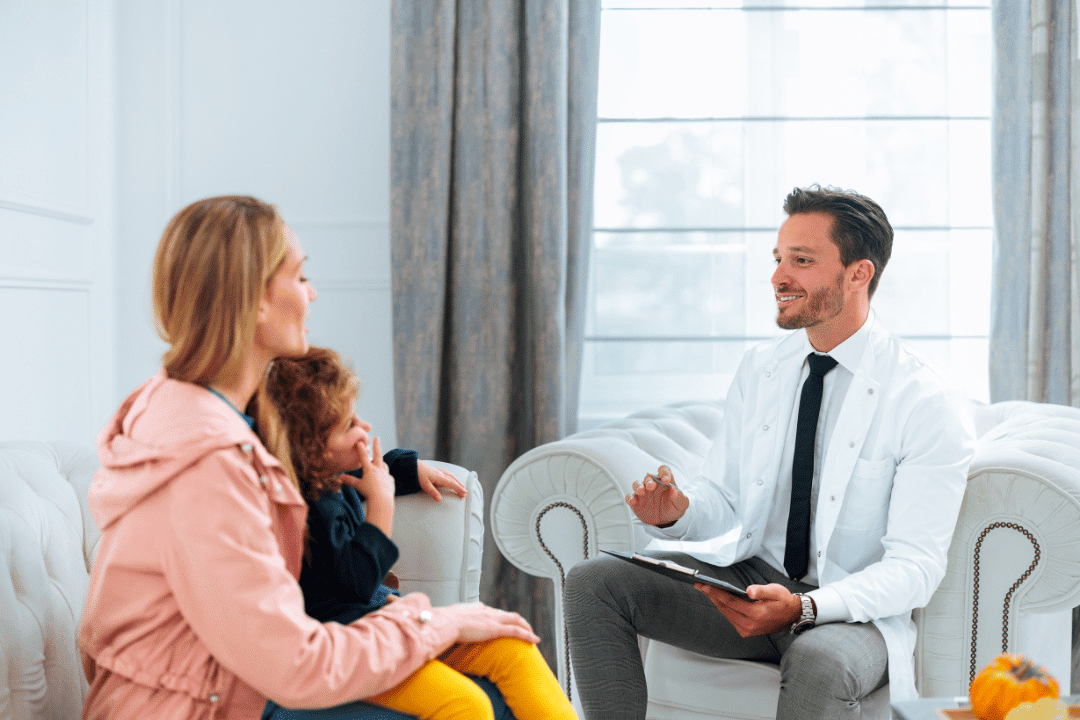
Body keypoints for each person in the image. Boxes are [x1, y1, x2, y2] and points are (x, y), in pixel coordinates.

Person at [79, 196, 537, 720]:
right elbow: (296, 663)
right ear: (255, 299)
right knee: (468, 705)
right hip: (198, 704)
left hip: (233, 678)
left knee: (503, 664)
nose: (312, 292)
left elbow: (318, 466)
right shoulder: (209, 463)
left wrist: (397, 475)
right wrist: (435, 622)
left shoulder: (205, 407)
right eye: (299, 277)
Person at [563, 185, 977, 720]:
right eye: (778, 258)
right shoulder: (761, 369)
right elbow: (726, 498)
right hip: (752, 584)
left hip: (852, 613)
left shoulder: (924, 399)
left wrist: (806, 607)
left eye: (801, 261)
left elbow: (915, 566)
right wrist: (679, 513)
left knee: (820, 661)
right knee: (594, 582)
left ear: (858, 274)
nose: (779, 277)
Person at [261, 347, 577, 720]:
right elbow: (356, 584)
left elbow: (378, 467)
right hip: (352, 648)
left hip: (388, 626)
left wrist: (408, 468)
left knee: (513, 646)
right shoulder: (309, 512)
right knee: (467, 704)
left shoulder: (332, 474)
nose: (365, 428)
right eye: (349, 426)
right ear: (312, 451)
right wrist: (381, 505)